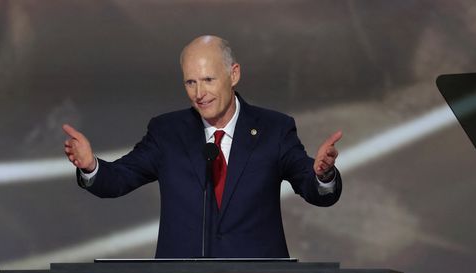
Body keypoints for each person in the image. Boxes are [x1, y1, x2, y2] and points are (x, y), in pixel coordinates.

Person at [63, 35, 343, 258]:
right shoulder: (168, 133)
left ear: (233, 74)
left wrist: (323, 175)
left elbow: (313, 187)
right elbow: (120, 178)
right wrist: (91, 166)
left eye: (208, 80)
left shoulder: (274, 129)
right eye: (190, 82)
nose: (199, 94)